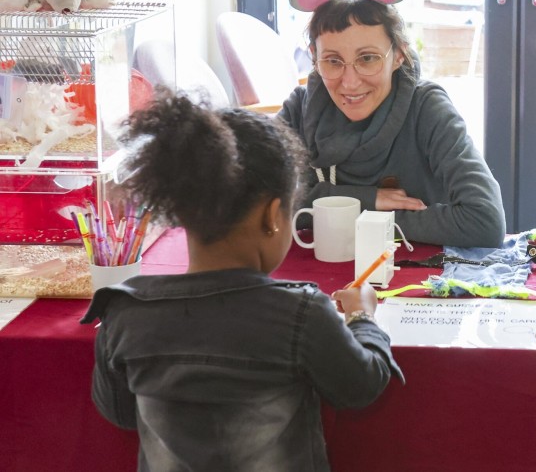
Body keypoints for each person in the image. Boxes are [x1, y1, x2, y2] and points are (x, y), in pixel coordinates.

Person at [81, 90, 403, 471]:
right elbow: (361, 385)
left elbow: (119, 413)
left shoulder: (123, 312)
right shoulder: (300, 312)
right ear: (272, 216)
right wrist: (363, 318)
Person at [278, 0, 505, 248]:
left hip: (414, 279)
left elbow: (485, 221)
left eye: (368, 58)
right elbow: (256, 203)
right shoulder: (298, 111)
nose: (350, 82)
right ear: (314, 56)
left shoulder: (427, 109)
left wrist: (341, 212)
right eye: (333, 61)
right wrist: (365, 199)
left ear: (398, 55)